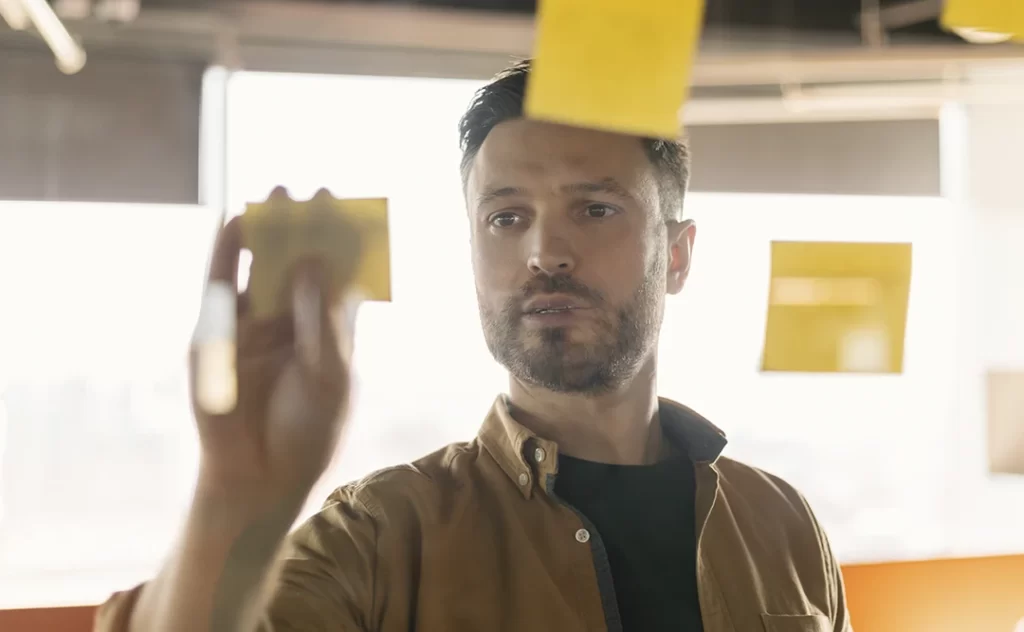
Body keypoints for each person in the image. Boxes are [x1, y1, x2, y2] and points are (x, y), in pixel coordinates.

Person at [96, 60, 850, 632]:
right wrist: (238, 500)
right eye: (506, 218)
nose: (546, 250)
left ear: (677, 255)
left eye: (594, 208)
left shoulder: (781, 524)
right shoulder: (381, 538)